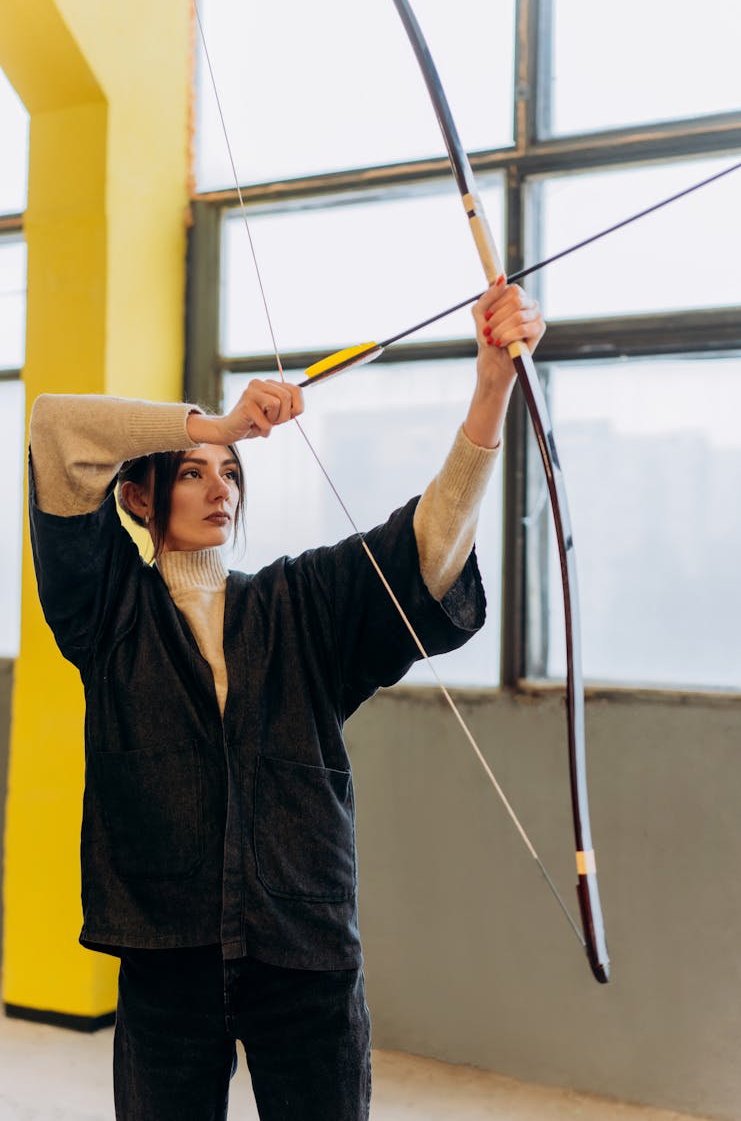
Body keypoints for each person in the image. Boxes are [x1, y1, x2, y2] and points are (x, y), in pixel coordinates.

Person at [28, 279, 545, 1121]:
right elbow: (54, 426)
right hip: (167, 953)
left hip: (302, 948)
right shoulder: (107, 607)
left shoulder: (299, 602)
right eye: (190, 473)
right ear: (138, 496)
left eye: (229, 471)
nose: (218, 485)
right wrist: (218, 423)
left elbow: (430, 548)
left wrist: (490, 386)